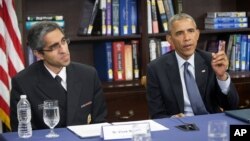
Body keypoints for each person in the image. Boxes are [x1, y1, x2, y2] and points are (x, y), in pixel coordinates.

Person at [10, 21, 107, 131]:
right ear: (39, 54)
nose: (64, 50)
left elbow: (99, 122)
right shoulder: (23, 83)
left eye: (63, 41)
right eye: (54, 47)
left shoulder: (89, 74)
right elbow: (23, 132)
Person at [146, 13, 239, 119]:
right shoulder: (156, 69)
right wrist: (171, 120)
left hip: (212, 124)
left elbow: (231, 106)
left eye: (190, 31)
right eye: (179, 33)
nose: (186, 38)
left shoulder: (212, 61)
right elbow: (156, 114)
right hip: (180, 127)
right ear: (170, 39)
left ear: (197, 34)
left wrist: (222, 77)